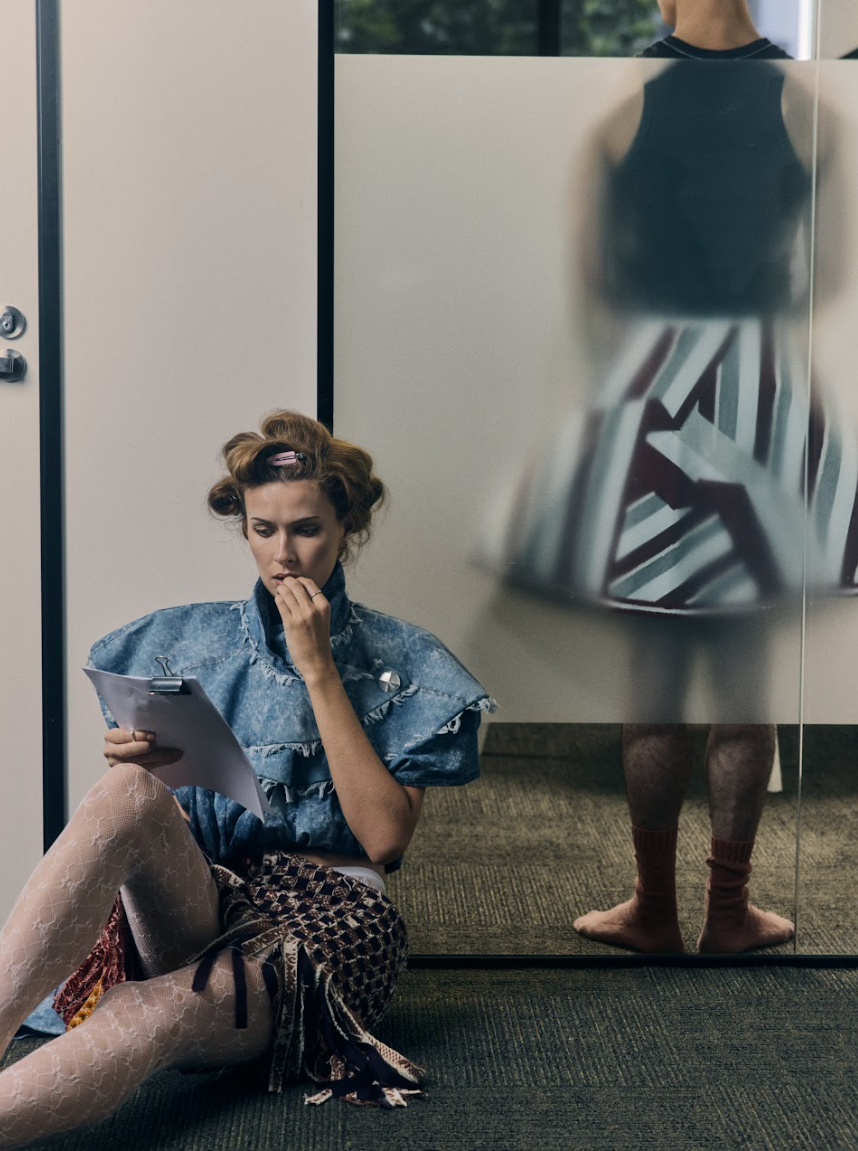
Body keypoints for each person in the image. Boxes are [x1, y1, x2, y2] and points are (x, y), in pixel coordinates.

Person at [0, 410, 495, 1146]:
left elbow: (385, 837)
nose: (283, 554)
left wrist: (319, 667)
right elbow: (168, 814)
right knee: (123, 792)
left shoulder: (404, 659)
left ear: (346, 527)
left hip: (325, 926)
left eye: (306, 529)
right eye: (264, 529)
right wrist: (146, 760)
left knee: (146, 1009)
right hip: (207, 892)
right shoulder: (187, 637)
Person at [494, 0, 851, 952]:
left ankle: (655, 910)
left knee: (652, 676)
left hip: (655, 388)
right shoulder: (810, 106)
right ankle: (728, 913)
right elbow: (832, 273)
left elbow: (593, 275)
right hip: (764, 390)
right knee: (745, 677)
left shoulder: (621, 104)